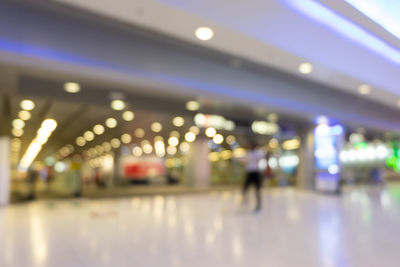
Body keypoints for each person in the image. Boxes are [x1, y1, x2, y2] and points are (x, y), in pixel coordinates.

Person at [242, 143, 265, 212]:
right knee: (245, 188)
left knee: (257, 190)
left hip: (256, 172)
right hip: (249, 172)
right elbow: (244, 160)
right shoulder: (248, 153)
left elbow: (263, 156)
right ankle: (245, 200)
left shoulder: (258, 153)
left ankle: (258, 205)